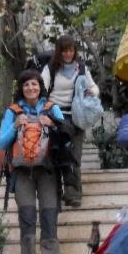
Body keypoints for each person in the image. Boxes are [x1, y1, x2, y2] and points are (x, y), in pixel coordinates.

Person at [0, 69, 65, 254]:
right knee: (26, 217)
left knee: (48, 215)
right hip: (21, 171)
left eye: (34, 84)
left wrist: (53, 124)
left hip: (48, 170)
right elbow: (1, 142)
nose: (30, 88)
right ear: (21, 88)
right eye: (26, 84)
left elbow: (66, 139)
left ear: (40, 86)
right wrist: (15, 126)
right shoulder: (13, 111)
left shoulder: (52, 109)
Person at [40, 35, 100, 207]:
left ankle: (73, 194)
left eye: (71, 50)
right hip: (55, 117)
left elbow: (94, 86)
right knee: (57, 154)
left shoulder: (81, 68)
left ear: (75, 51)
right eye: (65, 50)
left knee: (74, 156)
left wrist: (92, 92)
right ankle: (55, 193)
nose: (68, 53)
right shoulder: (51, 68)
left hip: (76, 117)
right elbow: (42, 88)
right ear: (59, 51)